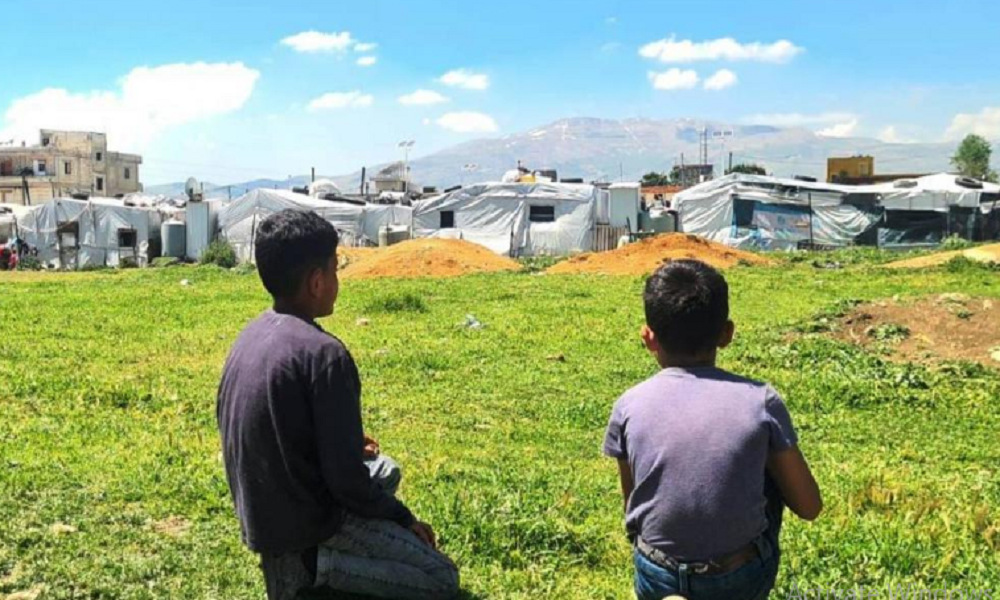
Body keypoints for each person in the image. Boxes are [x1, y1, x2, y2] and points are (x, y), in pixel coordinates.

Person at [217, 209, 459, 600]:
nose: (337, 281)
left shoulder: (253, 334)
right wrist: (404, 518)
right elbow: (347, 484)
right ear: (317, 282)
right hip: (306, 525)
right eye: (335, 270)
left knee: (386, 470)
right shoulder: (325, 355)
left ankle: (298, 559)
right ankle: (315, 566)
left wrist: (347, 442)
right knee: (442, 577)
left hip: (263, 515)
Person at [603, 259, 822, 600]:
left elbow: (633, 503)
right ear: (727, 334)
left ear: (649, 338)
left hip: (656, 570)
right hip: (737, 575)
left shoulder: (628, 405)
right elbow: (809, 507)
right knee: (767, 467)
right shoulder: (760, 400)